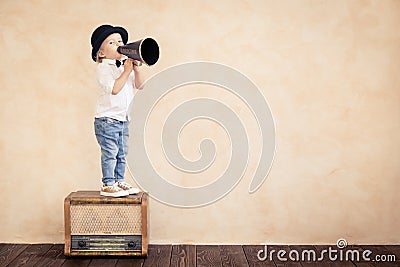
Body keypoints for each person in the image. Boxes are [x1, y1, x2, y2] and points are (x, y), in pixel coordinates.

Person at [90, 24, 143, 197]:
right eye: (112, 42)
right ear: (101, 53)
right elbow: (114, 88)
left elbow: (140, 85)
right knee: (110, 153)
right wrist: (127, 72)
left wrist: (135, 68)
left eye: (120, 41)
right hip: (107, 120)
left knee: (121, 153)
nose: (119, 44)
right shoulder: (104, 68)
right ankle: (108, 184)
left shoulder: (123, 67)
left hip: (122, 119)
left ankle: (119, 181)